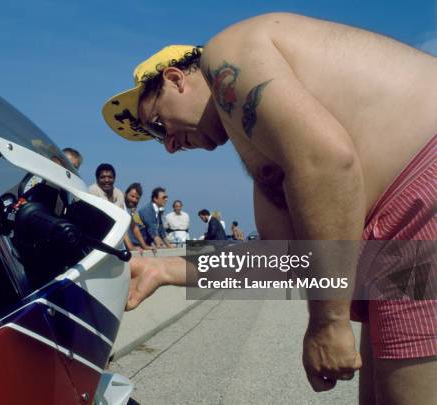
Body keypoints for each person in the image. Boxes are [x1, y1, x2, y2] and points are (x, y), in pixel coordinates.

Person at [101, 13, 436, 404]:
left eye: (158, 125)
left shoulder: (225, 56)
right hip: (401, 219)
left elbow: (328, 164)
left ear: (175, 78)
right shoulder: (261, 139)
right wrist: (167, 269)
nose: (169, 146)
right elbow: (283, 258)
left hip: (419, 188)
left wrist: (328, 323)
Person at [122, 182, 153, 253]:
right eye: (132, 196)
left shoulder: (129, 209)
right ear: (125, 194)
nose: (134, 200)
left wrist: (144, 246)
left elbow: (134, 228)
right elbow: (121, 228)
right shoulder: (121, 205)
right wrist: (131, 247)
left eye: (137, 198)